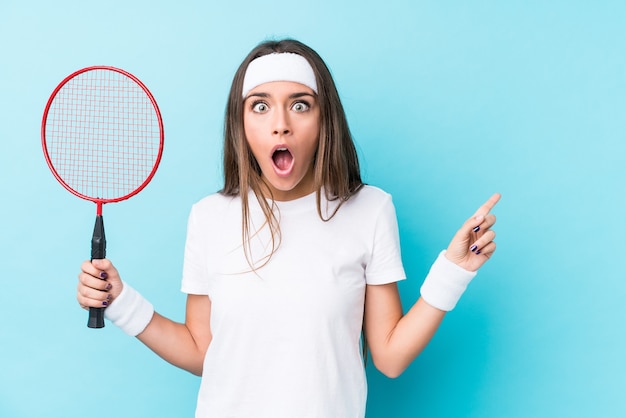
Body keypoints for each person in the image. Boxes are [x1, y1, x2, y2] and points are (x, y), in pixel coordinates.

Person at [77, 38, 500, 418]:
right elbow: (204, 351)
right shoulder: (209, 216)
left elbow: (388, 356)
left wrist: (454, 270)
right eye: (260, 106)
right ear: (241, 125)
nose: (281, 123)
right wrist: (120, 302)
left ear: (323, 121)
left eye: (300, 104)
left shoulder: (370, 209)